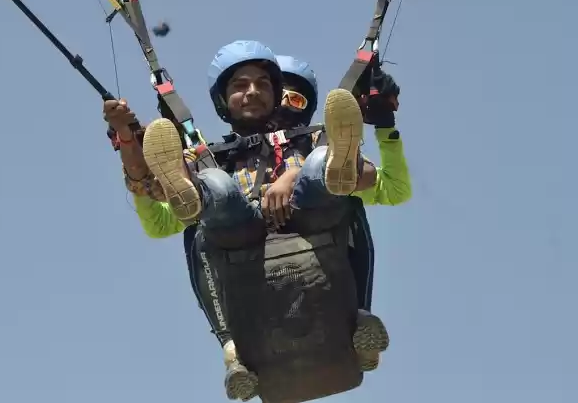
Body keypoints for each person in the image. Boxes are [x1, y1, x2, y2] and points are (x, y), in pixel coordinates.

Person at [102, 41, 391, 398]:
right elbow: (153, 203)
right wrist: (129, 140)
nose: (252, 92)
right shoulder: (213, 157)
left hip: (311, 222)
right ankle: (232, 345)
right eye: (240, 85)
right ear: (223, 100)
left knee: (322, 165)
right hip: (242, 238)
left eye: (263, 84)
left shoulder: (313, 140)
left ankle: (359, 315)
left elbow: (378, 181)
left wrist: (293, 177)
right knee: (214, 185)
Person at [274, 54, 411, 370]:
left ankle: (359, 319)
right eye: (278, 94)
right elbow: (165, 222)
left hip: (322, 238)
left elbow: (396, 189)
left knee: (343, 192)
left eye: (295, 99)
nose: (284, 104)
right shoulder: (230, 158)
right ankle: (233, 346)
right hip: (257, 249)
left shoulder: (319, 148)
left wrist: (385, 127)